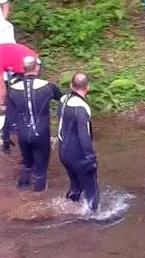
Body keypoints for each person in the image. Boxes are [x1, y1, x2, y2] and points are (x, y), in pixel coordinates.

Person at [6, 56, 62, 191]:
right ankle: (39, 201)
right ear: (37, 68)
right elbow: (62, 99)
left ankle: (20, 194)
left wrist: (6, 138)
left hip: (23, 134)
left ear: (23, 69)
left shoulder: (12, 89)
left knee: (27, 164)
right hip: (41, 132)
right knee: (41, 170)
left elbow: (9, 116)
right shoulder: (49, 86)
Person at [58, 72, 99, 210]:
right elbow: (84, 136)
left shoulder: (63, 100)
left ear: (71, 85)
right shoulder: (82, 108)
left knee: (75, 186)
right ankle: (94, 219)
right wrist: (91, 158)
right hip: (79, 156)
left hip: (64, 153)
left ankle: (66, 210)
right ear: (88, 87)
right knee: (92, 189)